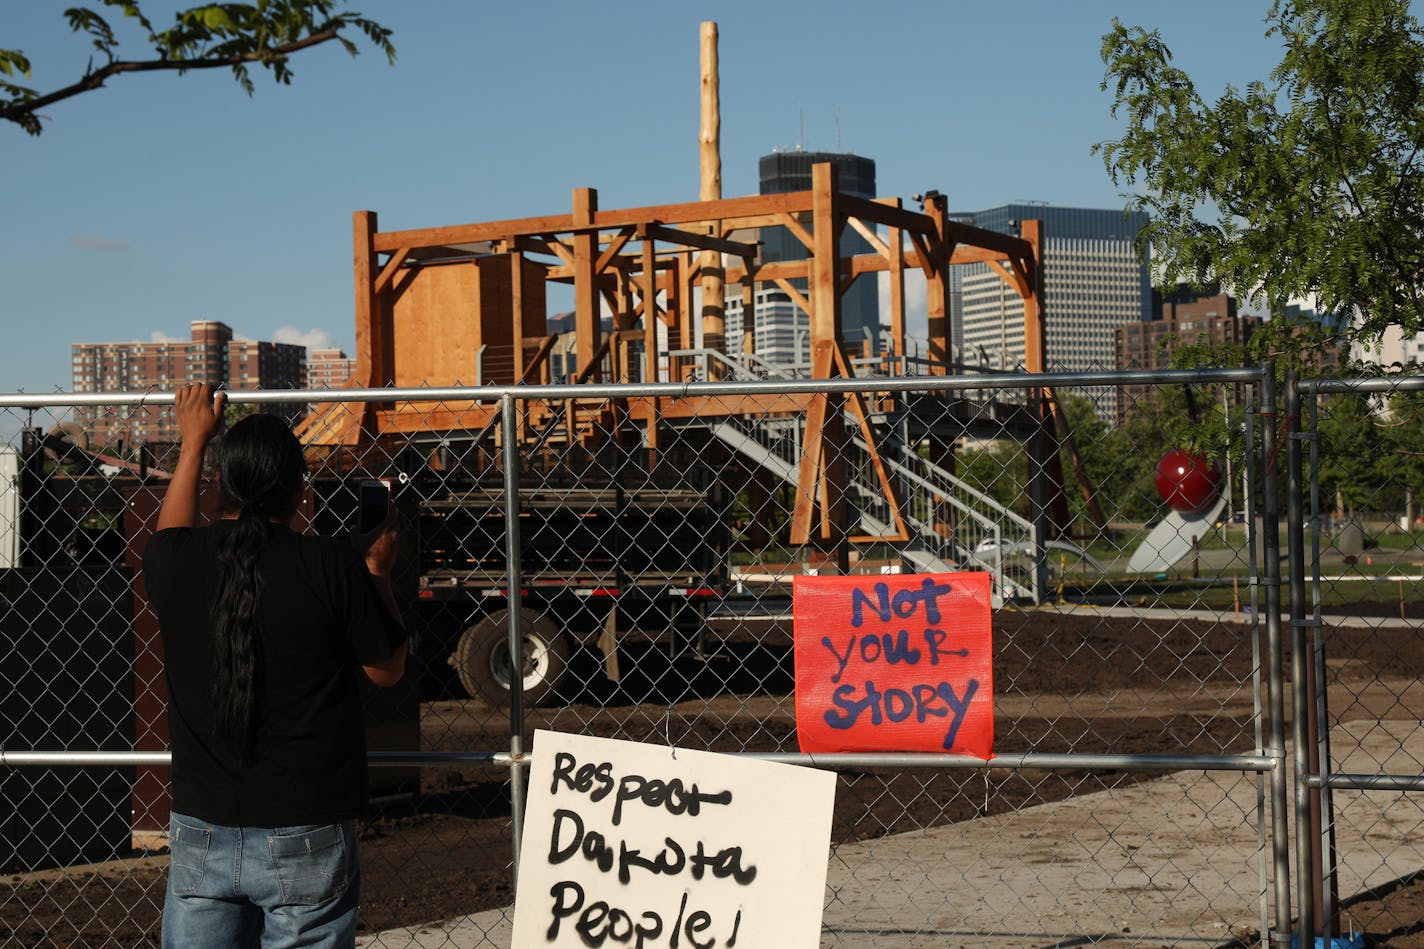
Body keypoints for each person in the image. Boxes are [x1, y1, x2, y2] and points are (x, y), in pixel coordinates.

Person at [142, 383, 407, 949]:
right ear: (298, 490)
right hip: (307, 828)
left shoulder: (172, 563)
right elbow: (388, 670)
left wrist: (194, 441)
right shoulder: (331, 565)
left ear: (220, 485)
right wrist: (379, 574)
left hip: (203, 828)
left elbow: (173, 531)